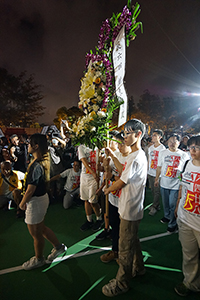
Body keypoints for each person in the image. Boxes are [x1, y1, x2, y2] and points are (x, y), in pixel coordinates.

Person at [102, 119, 147, 297]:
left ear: (138, 135)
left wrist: (108, 189)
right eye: (125, 133)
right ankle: (139, 267)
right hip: (128, 205)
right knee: (132, 239)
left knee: (125, 247)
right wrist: (112, 156)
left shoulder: (137, 157)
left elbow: (121, 181)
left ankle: (122, 282)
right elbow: (122, 170)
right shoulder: (133, 156)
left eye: (129, 133)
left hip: (130, 207)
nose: (125, 137)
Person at [19, 133, 67, 271]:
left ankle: (39, 259)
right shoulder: (39, 162)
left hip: (36, 202)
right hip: (40, 200)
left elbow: (30, 190)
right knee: (42, 229)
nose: (28, 146)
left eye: (29, 144)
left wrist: (22, 203)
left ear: (36, 146)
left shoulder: (37, 165)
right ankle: (59, 247)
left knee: (36, 234)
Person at [174, 135, 200, 296]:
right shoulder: (186, 164)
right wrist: (177, 207)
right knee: (189, 255)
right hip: (186, 219)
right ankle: (191, 283)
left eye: (197, 147)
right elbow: (182, 188)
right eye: (191, 147)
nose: (193, 150)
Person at [100, 131, 131, 263]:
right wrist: (105, 165)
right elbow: (106, 171)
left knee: (125, 231)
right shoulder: (116, 154)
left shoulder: (131, 158)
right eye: (118, 143)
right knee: (114, 224)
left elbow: (125, 178)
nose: (119, 146)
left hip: (125, 200)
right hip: (113, 198)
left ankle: (125, 255)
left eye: (122, 143)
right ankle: (115, 251)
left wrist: (112, 177)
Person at [155, 133, 189, 233]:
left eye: (174, 141)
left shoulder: (184, 155)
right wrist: (157, 179)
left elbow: (186, 169)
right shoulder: (163, 152)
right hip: (164, 183)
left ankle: (172, 224)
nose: (172, 143)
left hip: (176, 184)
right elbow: (159, 166)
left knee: (172, 204)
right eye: (170, 141)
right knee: (165, 203)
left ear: (179, 142)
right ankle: (167, 216)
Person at [78, 144, 103, 231]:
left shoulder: (97, 146)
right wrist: (92, 172)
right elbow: (84, 161)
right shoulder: (81, 147)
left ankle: (99, 218)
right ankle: (89, 220)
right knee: (86, 199)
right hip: (85, 176)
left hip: (95, 177)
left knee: (93, 201)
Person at [148, 129, 165, 216]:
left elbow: (162, 163)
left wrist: (158, 176)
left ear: (160, 137)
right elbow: (149, 159)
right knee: (153, 190)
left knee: (157, 191)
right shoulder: (150, 148)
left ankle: (154, 206)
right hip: (150, 172)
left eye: (155, 135)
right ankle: (156, 205)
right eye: (152, 135)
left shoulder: (162, 149)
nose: (153, 137)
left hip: (158, 173)